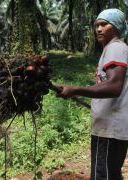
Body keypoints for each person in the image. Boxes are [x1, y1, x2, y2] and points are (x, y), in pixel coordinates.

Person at [57, 9, 128, 180]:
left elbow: (114, 86)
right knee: (111, 174)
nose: (99, 29)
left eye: (104, 24)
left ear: (117, 26)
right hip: (111, 127)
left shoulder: (116, 48)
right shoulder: (114, 49)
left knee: (101, 176)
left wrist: (76, 89)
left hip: (110, 130)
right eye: (97, 25)